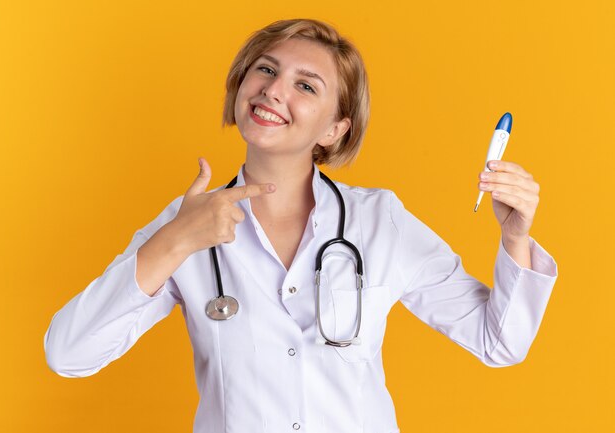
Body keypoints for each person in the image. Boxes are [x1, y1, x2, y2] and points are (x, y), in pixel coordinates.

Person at [44, 18, 558, 433]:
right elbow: (68, 354)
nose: (273, 90)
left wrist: (514, 239)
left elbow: (499, 342)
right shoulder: (184, 226)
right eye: (265, 70)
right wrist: (176, 240)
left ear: (335, 129)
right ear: (240, 85)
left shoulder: (379, 222)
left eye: (305, 85)